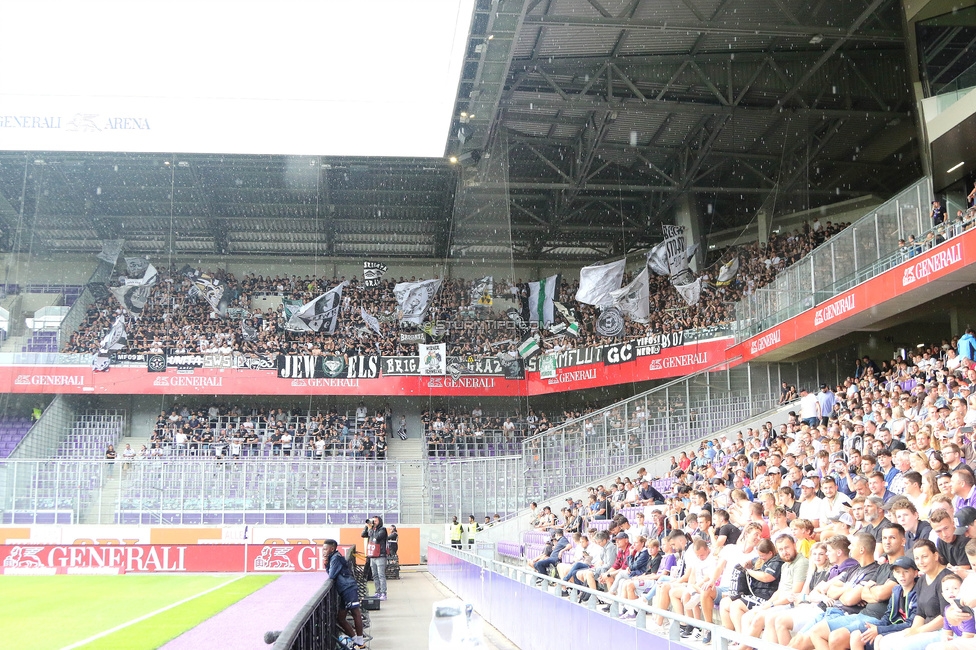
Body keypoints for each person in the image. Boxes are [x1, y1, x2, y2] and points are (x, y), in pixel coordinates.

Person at [322, 539, 367, 650]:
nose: (323, 551)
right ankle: (355, 639)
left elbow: (332, 575)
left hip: (348, 588)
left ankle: (360, 641)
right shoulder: (334, 557)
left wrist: (326, 565)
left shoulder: (335, 558)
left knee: (355, 612)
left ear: (332, 549)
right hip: (344, 590)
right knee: (341, 618)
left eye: (325, 549)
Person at [362, 515, 389, 601]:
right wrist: (366, 527)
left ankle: (383, 593)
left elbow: (376, 537)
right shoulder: (371, 529)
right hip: (372, 555)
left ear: (379, 522)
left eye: (375, 521)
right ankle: (377, 591)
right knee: (375, 575)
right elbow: (363, 535)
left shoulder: (382, 530)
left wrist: (370, 529)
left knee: (381, 575)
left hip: (380, 555)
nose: (373, 523)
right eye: (373, 521)